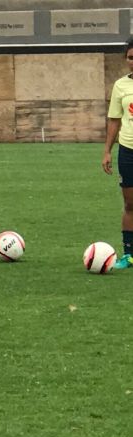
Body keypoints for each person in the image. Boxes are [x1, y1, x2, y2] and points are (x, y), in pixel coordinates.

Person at [102, 37, 133, 269]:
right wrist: (107, 151)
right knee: (130, 204)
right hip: (127, 150)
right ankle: (129, 254)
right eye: (130, 58)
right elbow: (114, 120)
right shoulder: (121, 86)